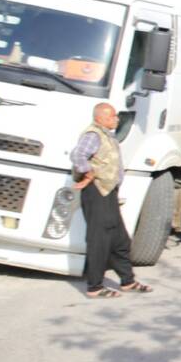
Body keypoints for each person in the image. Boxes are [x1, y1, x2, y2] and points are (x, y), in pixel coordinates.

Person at [70, 103, 153, 298]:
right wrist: (88, 174)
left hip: (108, 192)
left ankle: (128, 281)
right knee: (99, 240)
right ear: (100, 118)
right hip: (96, 191)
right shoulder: (94, 135)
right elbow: (77, 155)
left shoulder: (107, 135)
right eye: (113, 116)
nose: (116, 119)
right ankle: (94, 287)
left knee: (119, 238)